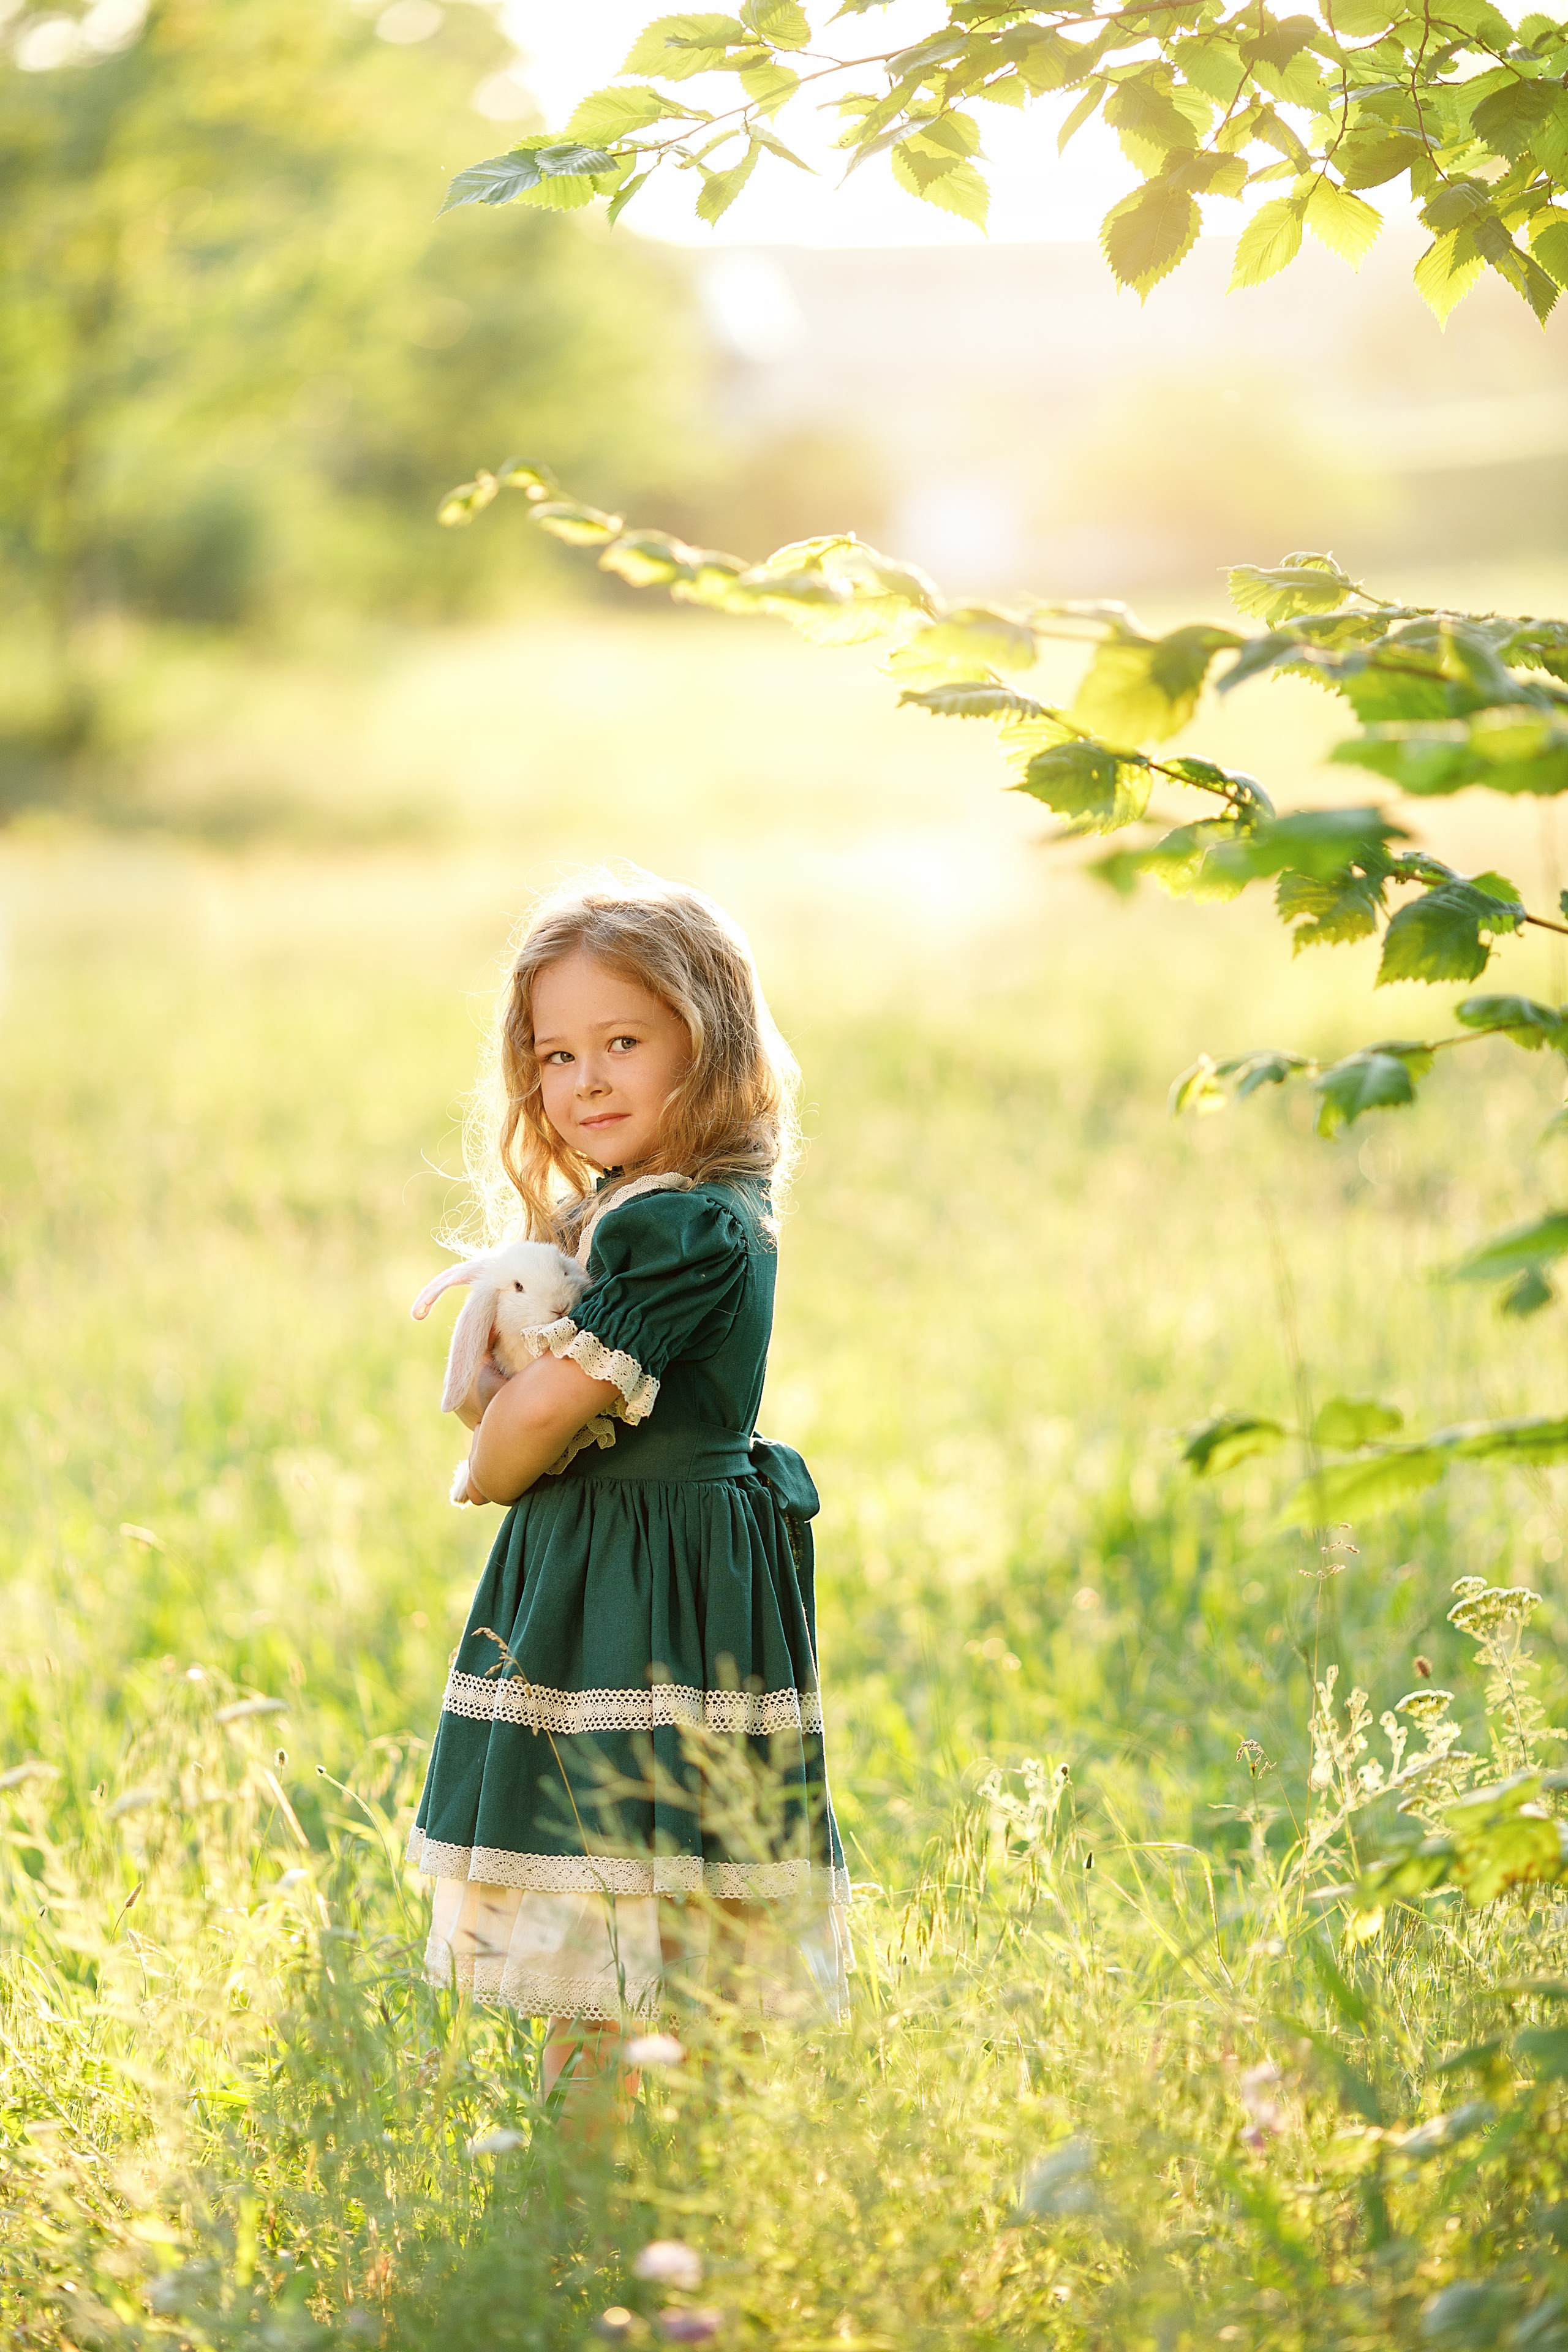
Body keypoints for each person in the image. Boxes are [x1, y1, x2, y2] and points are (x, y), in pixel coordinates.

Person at [406, 873, 849, 2102]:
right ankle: (602, 2178)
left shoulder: (683, 1227)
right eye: (556, 1054)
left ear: (705, 1050)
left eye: (622, 1043)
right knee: (606, 1882)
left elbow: (538, 1419)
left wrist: (485, 1459)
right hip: (622, 1562)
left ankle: (660, 2168)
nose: (585, 1080)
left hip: (651, 1579)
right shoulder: (628, 1213)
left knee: (658, 1871)